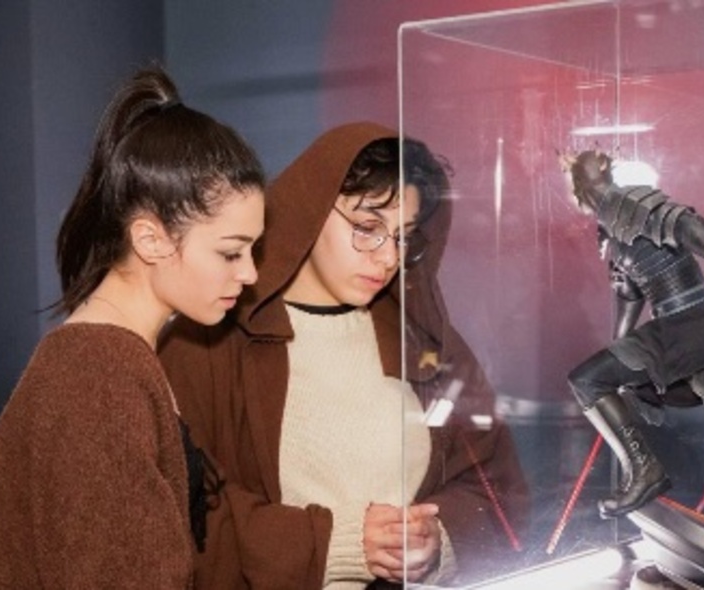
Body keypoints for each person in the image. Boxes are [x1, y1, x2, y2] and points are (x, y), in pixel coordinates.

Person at [159, 121, 529, 589]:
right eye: (368, 227)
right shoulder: (208, 342)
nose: (387, 256)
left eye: (403, 236)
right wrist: (340, 545)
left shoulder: (425, 340)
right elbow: (180, 513)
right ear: (310, 210)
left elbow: (499, 487)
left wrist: (440, 538)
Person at [0, 66, 266, 589]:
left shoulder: (103, 355)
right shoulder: (100, 373)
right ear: (151, 240)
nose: (249, 273)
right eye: (230, 251)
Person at [564, 150, 704, 555]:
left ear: (578, 188)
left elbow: (683, 221)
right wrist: (620, 357)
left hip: (685, 324)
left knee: (586, 379)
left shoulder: (627, 201)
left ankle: (644, 470)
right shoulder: (612, 227)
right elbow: (628, 295)